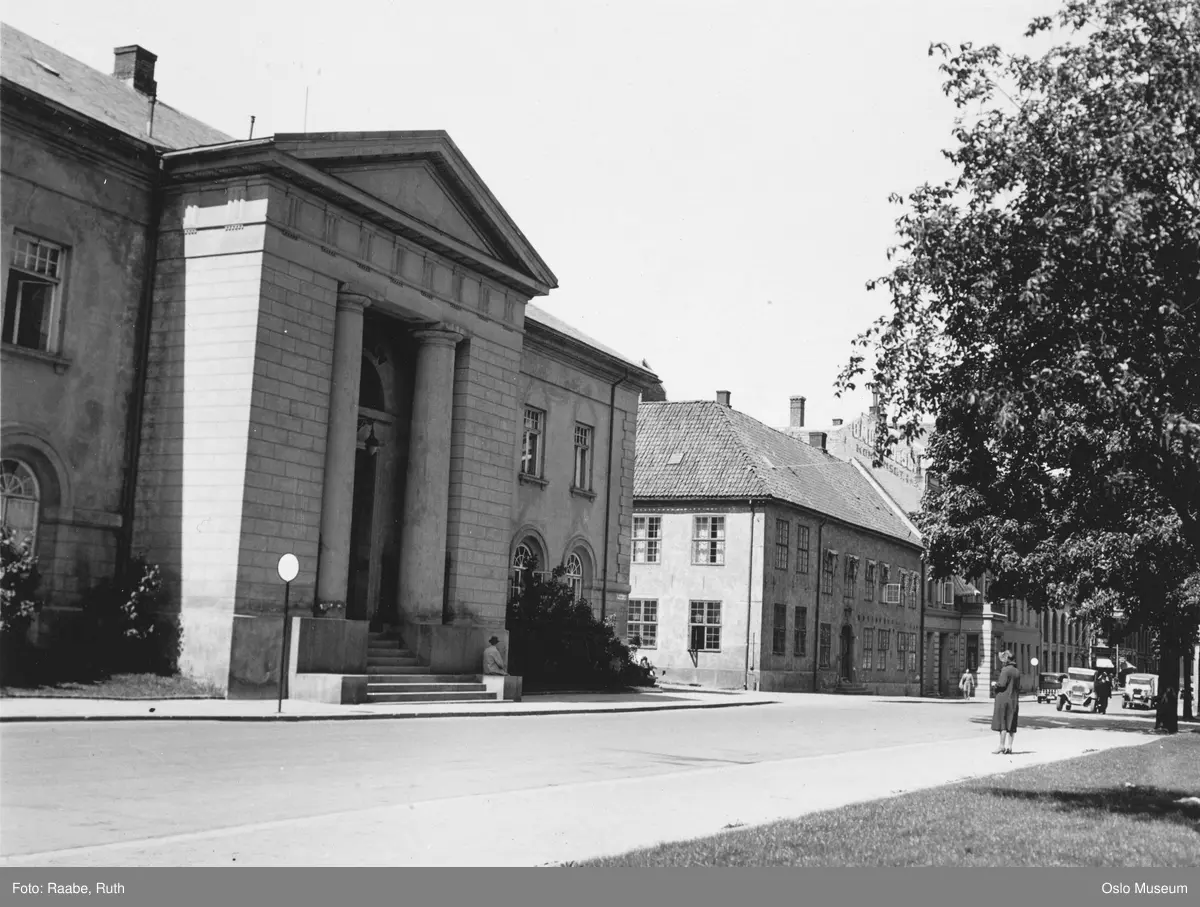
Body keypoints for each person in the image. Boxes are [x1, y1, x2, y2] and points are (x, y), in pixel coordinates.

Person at [990, 649, 1022, 755]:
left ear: (1006, 660)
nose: (1002, 662)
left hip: (1003, 699)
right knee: (1011, 723)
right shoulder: (1017, 671)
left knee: (1002, 723)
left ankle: (1001, 746)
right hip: (1014, 699)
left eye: (1003, 660)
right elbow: (1018, 687)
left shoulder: (1005, 670)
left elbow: (1002, 684)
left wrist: (995, 684)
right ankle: (1010, 746)